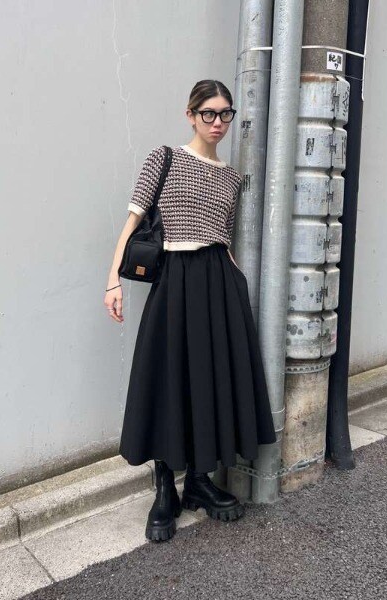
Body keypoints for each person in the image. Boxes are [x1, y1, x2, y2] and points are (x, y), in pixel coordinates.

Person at [104, 80, 276, 543]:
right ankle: (166, 488)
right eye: (208, 114)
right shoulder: (163, 158)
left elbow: (225, 237)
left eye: (225, 114)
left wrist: (235, 281)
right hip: (175, 281)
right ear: (191, 114)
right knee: (170, 377)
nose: (218, 123)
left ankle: (199, 481)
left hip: (218, 283)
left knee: (210, 378)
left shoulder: (231, 177)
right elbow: (132, 224)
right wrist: (112, 280)